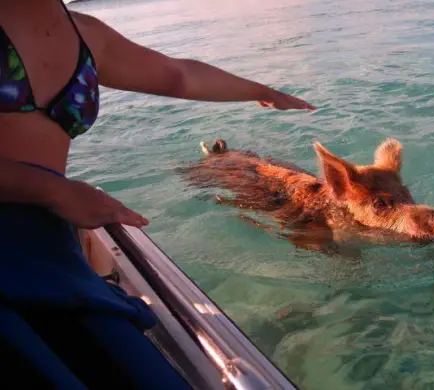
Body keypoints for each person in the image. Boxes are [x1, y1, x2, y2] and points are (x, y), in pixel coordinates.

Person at [0, 0, 315, 388]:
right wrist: (51, 191)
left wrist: (259, 91)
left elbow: (178, 75)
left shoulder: (84, 33)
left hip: (49, 247)